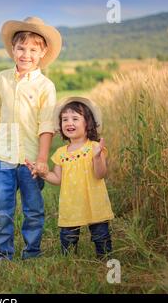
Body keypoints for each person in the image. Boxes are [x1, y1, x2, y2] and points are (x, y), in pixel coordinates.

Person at [0, 17, 62, 260]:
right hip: (3, 157)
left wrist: (42, 159)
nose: (26, 54)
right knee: (2, 209)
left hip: (31, 160)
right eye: (21, 48)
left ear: (43, 52)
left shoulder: (46, 86)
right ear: (12, 49)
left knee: (33, 209)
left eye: (33, 49)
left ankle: (32, 253)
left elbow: (46, 126)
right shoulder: (1, 79)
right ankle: (3, 255)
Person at [26, 97, 114, 258]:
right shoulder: (61, 153)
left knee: (100, 235)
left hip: (94, 202)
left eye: (75, 118)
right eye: (64, 119)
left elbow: (100, 174)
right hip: (70, 204)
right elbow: (58, 179)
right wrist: (43, 173)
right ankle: (69, 261)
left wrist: (96, 158)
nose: (69, 123)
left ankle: (104, 259)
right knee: (68, 238)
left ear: (88, 123)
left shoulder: (94, 148)